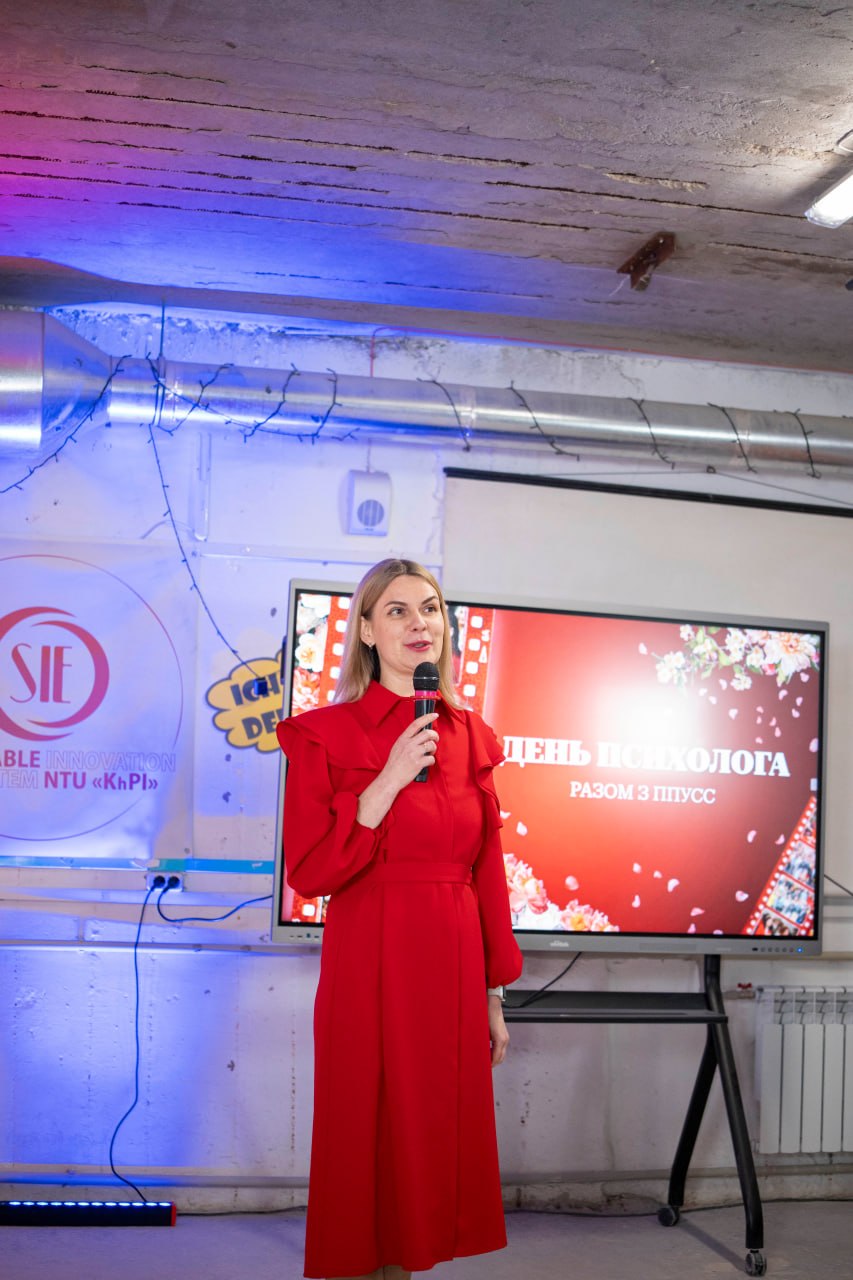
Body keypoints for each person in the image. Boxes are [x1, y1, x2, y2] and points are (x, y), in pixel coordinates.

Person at [277, 558, 523, 1280]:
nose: (420, 624)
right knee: (367, 1132)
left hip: (452, 962)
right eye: (397, 610)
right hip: (370, 955)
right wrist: (385, 781)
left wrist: (492, 994)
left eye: (431, 608)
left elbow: (487, 869)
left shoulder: (472, 734)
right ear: (364, 630)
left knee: (429, 1140)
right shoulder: (322, 734)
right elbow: (311, 873)